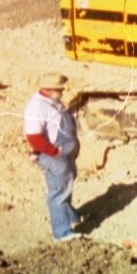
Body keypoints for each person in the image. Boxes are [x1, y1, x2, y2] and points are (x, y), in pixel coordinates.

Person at [24, 72, 82, 242]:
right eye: (60, 89)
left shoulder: (52, 102)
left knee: (66, 186)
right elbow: (34, 137)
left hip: (64, 155)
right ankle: (62, 233)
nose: (63, 92)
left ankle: (72, 217)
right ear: (49, 90)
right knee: (58, 193)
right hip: (54, 157)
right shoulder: (36, 106)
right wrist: (54, 152)